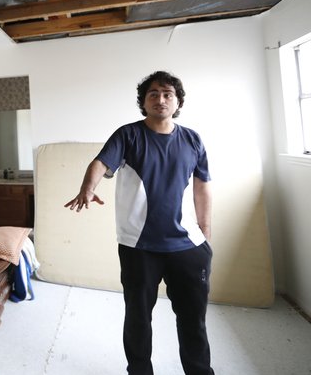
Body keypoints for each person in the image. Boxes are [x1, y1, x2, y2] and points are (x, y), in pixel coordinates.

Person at [64, 70, 214, 375]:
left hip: (188, 247)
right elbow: (101, 163)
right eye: (153, 94)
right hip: (139, 247)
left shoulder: (192, 139)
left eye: (168, 94)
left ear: (178, 101)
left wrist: (205, 231)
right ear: (144, 102)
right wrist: (87, 188)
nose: (161, 99)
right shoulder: (128, 135)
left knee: (193, 319)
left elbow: (202, 185)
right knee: (138, 316)